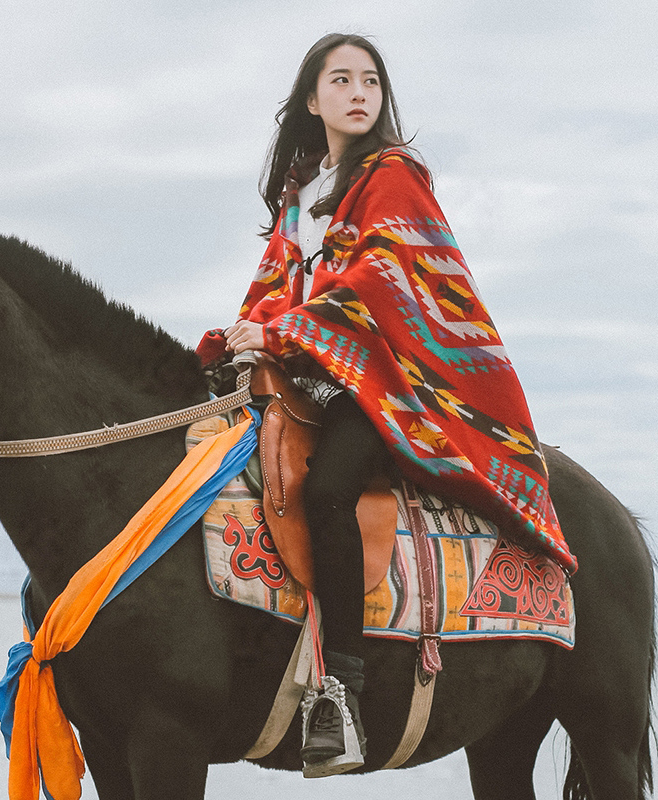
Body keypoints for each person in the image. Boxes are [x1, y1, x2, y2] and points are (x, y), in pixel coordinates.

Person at [214, 32, 577, 777]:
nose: (357, 93)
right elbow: (275, 285)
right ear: (312, 100)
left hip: (388, 385)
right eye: (340, 80)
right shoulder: (300, 194)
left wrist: (283, 329)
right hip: (304, 379)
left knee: (328, 490)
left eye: (370, 81)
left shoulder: (393, 177)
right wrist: (243, 334)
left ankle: (339, 692)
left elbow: (382, 283)